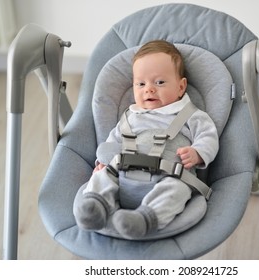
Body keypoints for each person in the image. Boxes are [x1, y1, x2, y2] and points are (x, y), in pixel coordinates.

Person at [73, 40, 219, 239]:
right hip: (123, 174)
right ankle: (96, 206)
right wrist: (102, 164)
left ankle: (145, 219)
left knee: (177, 191)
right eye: (141, 84)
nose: (149, 89)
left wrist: (198, 153)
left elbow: (208, 136)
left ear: (181, 86)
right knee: (102, 177)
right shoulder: (130, 117)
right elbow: (111, 143)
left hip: (168, 176)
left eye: (159, 82)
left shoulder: (191, 115)